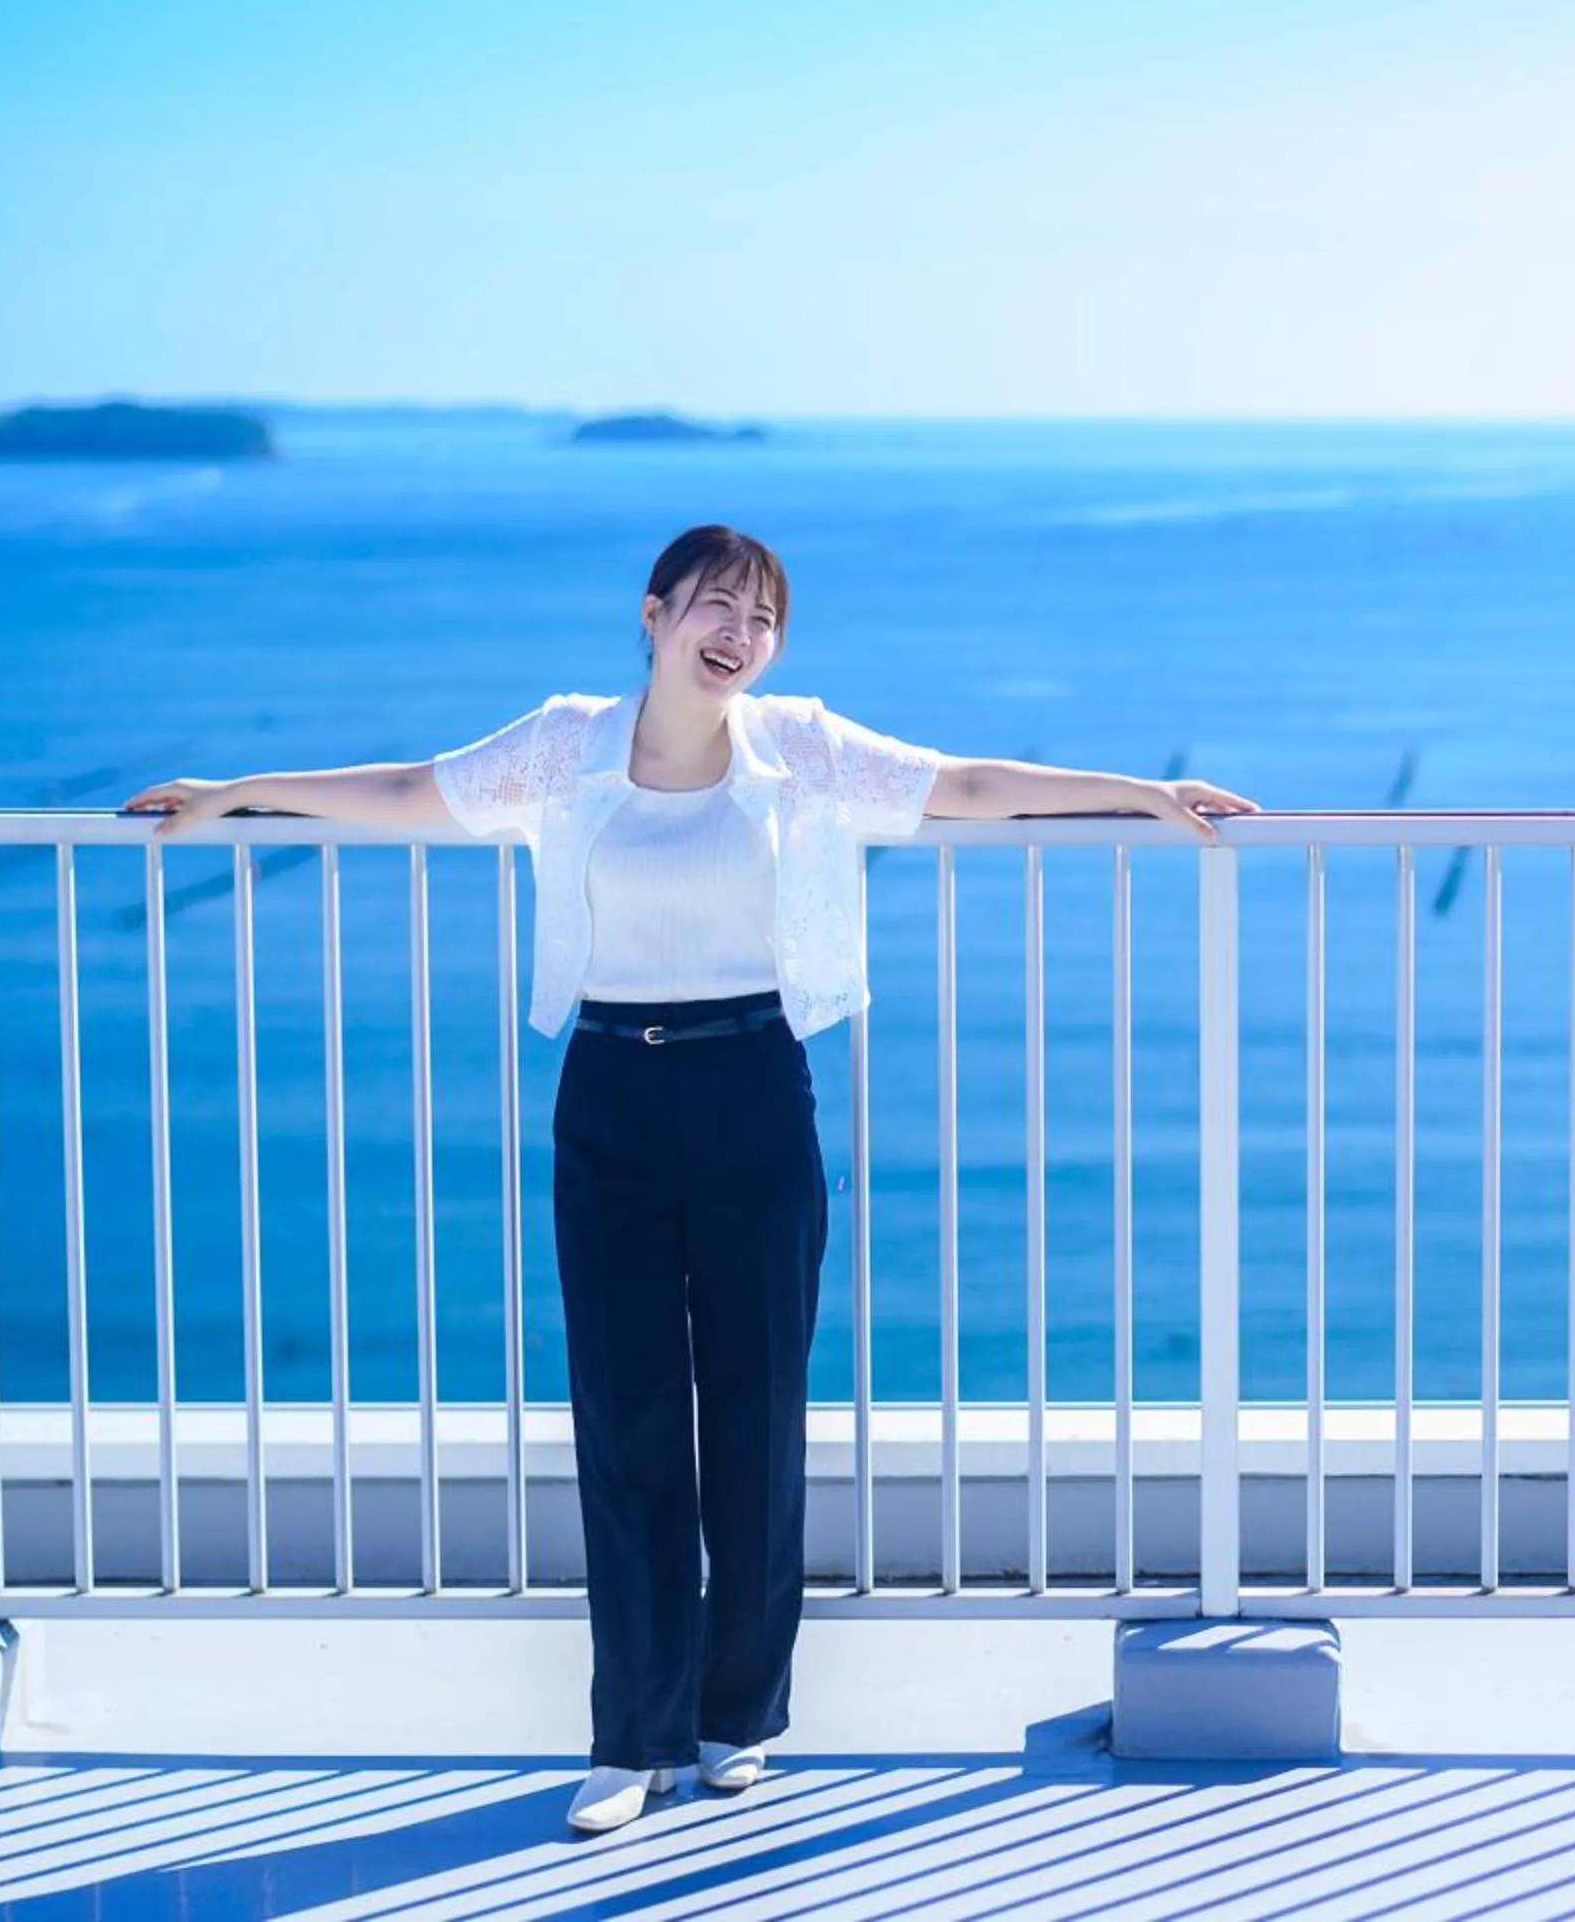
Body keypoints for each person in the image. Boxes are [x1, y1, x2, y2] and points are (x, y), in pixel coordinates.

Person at [122, 523, 1255, 1834]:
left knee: (758, 1418)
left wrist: (1147, 795)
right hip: (608, 1091)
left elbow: (970, 787)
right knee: (628, 1416)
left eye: (764, 619)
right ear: (653, 615)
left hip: (752, 1090)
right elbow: (408, 793)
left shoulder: (801, 747)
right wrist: (234, 794)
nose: (742, 634)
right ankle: (632, 1739)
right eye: (718, 606)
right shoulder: (566, 745)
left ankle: (738, 1717)